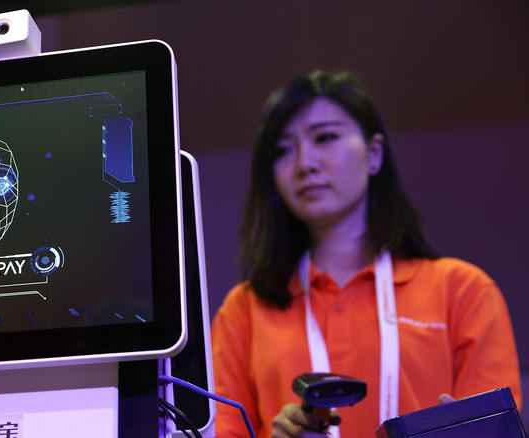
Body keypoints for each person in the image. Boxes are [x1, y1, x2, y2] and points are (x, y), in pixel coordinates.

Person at [210, 70, 522, 438]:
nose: (305, 164)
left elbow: (496, 432)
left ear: (374, 154)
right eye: (282, 150)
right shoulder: (244, 310)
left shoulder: (463, 290)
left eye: (325, 137)